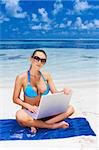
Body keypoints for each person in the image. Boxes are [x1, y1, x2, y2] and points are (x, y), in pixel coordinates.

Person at [13, 49, 74, 133]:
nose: (39, 62)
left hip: (44, 112)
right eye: (37, 58)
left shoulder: (47, 76)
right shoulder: (21, 77)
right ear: (31, 59)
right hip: (29, 112)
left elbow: (55, 92)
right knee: (19, 115)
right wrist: (29, 106)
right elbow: (15, 99)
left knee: (70, 108)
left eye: (43, 60)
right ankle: (52, 126)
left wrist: (64, 91)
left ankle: (39, 124)